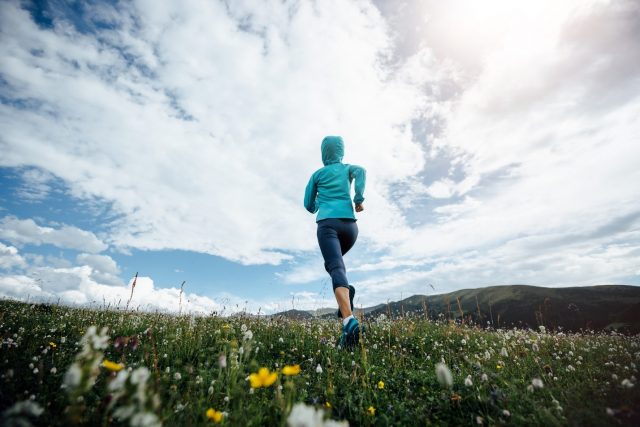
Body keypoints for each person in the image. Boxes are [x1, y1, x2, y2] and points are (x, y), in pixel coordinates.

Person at [304, 136, 366, 348]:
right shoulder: (347, 168)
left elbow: (308, 205)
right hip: (350, 228)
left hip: (328, 226)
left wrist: (319, 203)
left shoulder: (318, 175)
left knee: (335, 267)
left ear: (324, 153)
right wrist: (358, 199)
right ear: (341, 151)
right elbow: (361, 171)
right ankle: (346, 295)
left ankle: (348, 321)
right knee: (333, 266)